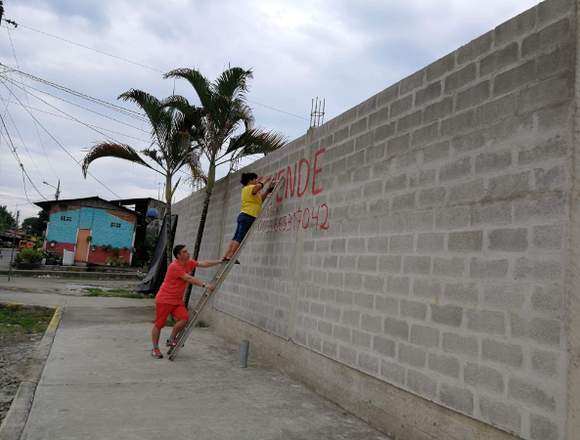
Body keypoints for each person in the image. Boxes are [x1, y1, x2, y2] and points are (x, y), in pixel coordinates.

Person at [151, 244, 222, 359]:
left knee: (184, 319)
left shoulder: (188, 262)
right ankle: (155, 349)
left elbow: (202, 263)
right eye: (184, 252)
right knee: (159, 325)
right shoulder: (174, 266)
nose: (188, 253)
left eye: (187, 251)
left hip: (177, 300)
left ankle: (171, 339)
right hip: (165, 299)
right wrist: (205, 285)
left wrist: (219, 261)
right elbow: (189, 278)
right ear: (178, 255)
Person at [222, 172, 275, 262]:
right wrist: (265, 180)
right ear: (250, 180)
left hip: (244, 215)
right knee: (240, 237)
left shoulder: (248, 190)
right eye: (255, 179)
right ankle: (230, 256)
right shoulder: (249, 188)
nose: (256, 181)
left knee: (236, 237)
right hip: (248, 216)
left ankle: (226, 255)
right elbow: (256, 189)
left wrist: (267, 191)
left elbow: (260, 201)